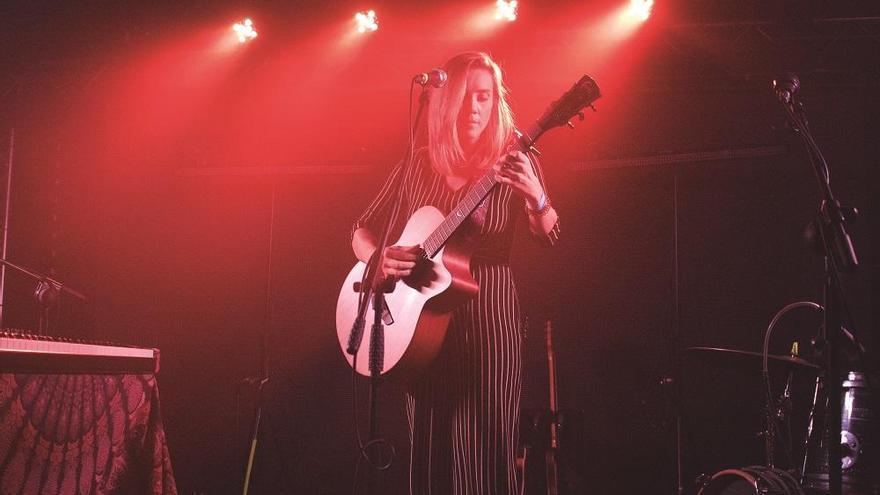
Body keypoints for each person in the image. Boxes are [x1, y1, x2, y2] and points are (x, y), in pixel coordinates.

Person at [350, 51, 559, 495]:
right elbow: (361, 229)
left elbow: (550, 237)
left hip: (487, 324)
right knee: (427, 464)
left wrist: (536, 197)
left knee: (485, 463)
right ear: (445, 104)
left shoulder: (513, 160)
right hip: (419, 333)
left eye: (484, 97)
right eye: (465, 98)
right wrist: (377, 258)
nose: (475, 108)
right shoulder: (419, 163)